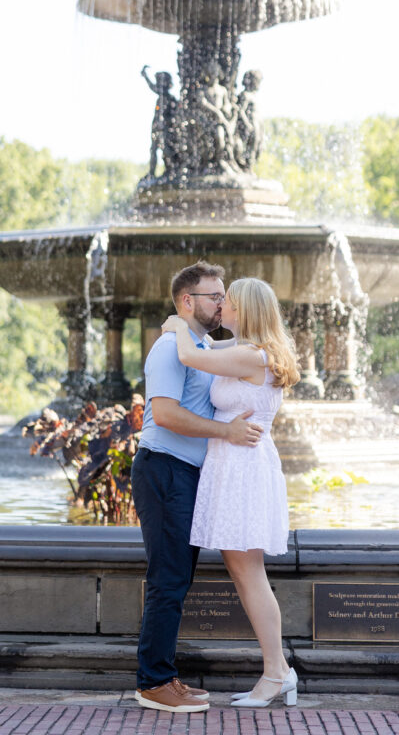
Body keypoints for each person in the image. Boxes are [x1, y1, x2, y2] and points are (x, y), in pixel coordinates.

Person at [131, 261, 264, 714]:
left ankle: (164, 674)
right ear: (187, 301)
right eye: (214, 296)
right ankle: (152, 682)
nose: (223, 303)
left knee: (177, 577)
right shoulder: (171, 347)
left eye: (224, 295)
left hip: (184, 472)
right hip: (164, 468)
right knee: (167, 579)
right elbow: (165, 414)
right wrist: (224, 432)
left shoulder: (200, 346)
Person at [162, 276, 300, 708]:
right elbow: (206, 349)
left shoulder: (250, 355)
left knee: (249, 573)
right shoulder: (251, 351)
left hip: (242, 466)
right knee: (244, 572)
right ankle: (279, 672)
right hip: (237, 464)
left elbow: (188, 352)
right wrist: (190, 330)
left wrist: (176, 323)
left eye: (230, 302)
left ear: (247, 310)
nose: (222, 308)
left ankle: (277, 673)